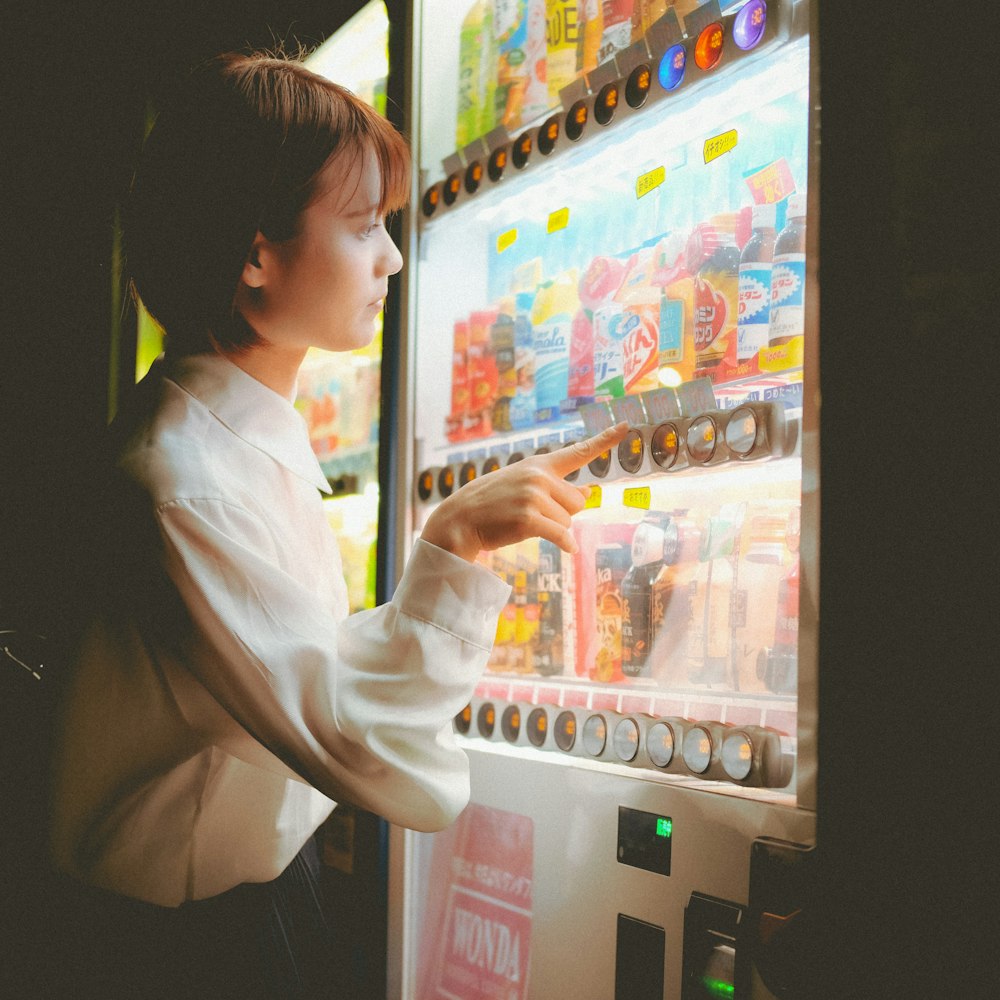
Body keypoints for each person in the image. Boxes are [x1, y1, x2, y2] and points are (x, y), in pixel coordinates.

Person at [45, 51, 627, 999]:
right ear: (255, 253)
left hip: (229, 915)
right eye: (363, 227)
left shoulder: (222, 445)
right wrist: (451, 548)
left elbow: (287, 671)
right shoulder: (184, 481)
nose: (395, 256)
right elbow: (369, 750)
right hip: (184, 950)